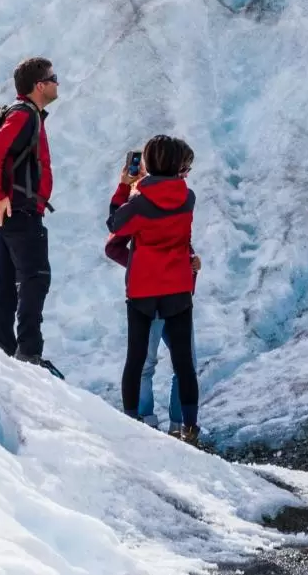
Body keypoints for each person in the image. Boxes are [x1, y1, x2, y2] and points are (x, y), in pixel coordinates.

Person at [106, 135, 200, 445]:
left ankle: (133, 420)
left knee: (136, 358)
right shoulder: (188, 199)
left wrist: (125, 187)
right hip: (177, 287)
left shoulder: (139, 203)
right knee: (184, 362)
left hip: (144, 289)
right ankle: (189, 428)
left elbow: (114, 225)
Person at [0, 56, 57, 366]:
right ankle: (27, 352)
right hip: (18, 209)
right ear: (39, 86)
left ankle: (5, 347)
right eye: (54, 78)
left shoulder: (27, 115)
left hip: (14, 209)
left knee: (7, 278)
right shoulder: (24, 115)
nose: (57, 83)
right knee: (35, 277)